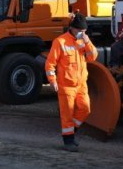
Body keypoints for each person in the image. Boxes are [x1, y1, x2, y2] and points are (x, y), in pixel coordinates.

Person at [45, 12, 98, 152]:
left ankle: (70, 132)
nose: (82, 33)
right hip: (66, 86)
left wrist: (87, 41)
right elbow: (50, 64)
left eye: (84, 31)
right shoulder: (60, 42)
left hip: (81, 85)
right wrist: (52, 81)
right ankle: (68, 141)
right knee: (67, 114)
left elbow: (93, 57)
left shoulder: (83, 41)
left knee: (85, 109)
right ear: (72, 28)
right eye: (80, 31)